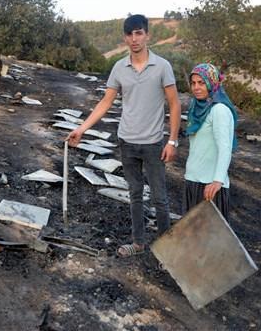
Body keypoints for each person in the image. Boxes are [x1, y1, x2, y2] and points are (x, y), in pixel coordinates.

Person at [67, 14, 181, 258]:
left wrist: (172, 140)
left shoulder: (162, 66)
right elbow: (105, 102)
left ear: (148, 35)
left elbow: (174, 104)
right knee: (135, 195)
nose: (134, 39)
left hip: (153, 144)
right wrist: (81, 128)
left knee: (160, 199)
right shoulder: (119, 67)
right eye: (129, 34)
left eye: (139, 33)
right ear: (124, 38)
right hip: (127, 142)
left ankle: (166, 252)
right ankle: (138, 244)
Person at [184, 63, 238, 220]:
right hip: (193, 180)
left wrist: (217, 181)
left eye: (201, 83)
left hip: (210, 185)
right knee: (191, 238)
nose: (196, 87)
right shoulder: (196, 108)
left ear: (211, 83)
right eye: (193, 83)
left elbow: (225, 148)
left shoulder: (219, 110)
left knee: (210, 241)